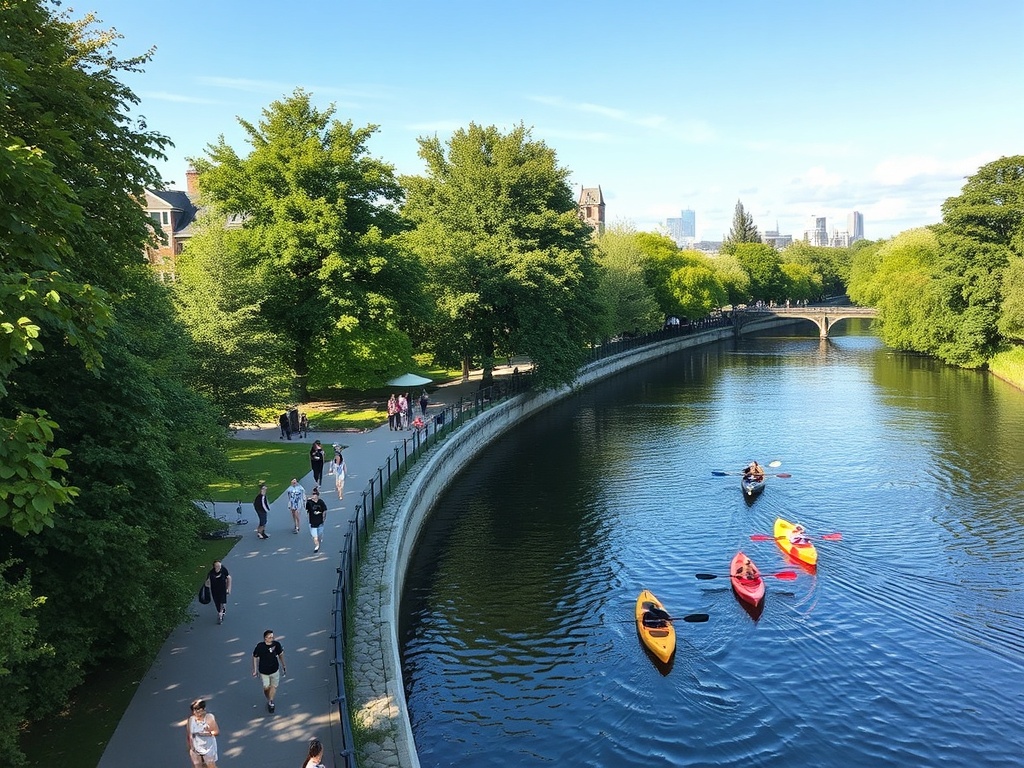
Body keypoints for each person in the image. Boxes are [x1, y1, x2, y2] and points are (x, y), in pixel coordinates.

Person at [252, 629, 286, 713]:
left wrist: (283, 665)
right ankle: (269, 697)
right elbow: (255, 656)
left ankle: (271, 701)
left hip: (274, 670)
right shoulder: (260, 646)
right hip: (264, 671)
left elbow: (281, 655)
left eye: (272, 636)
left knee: (274, 686)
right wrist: (255, 670)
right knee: (266, 687)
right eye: (270, 637)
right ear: (265, 638)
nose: (272, 638)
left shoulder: (277, 645)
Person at [186, 698, 219, 767]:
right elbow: (189, 734)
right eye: (195, 711)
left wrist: (206, 733)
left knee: (211, 765)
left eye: (199, 711)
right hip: (195, 747)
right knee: (197, 765)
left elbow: (216, 732)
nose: (197, 714)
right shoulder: (191, 719)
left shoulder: (209, 718)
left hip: (208, 747)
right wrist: (190, 747)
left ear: (204, 709)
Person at [205, 560, 232, 624]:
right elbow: (207, 582)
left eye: (219, 566)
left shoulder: (223, 570)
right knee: (217, 602)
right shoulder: (211, 573)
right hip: (214, 590)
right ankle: (220, 611)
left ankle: (220, 614)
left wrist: (228, 588)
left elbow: (229, 578)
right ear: (214, 567)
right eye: (217, 566)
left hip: (222, 589)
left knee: (222, 601)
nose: (219, 567)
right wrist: (206, 589)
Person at [306, 488, 328, 553]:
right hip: (312, 522)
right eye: (312, 494)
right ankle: (317, 546)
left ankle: (319, 539)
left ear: (317, 495)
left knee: (319, 535)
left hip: (320, 522)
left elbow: (324, 510)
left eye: (314, 494)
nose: (313, 495)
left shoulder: (321, 502)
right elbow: (306, 509)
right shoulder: (309, 502)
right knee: (315, 537)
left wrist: (324, 518)